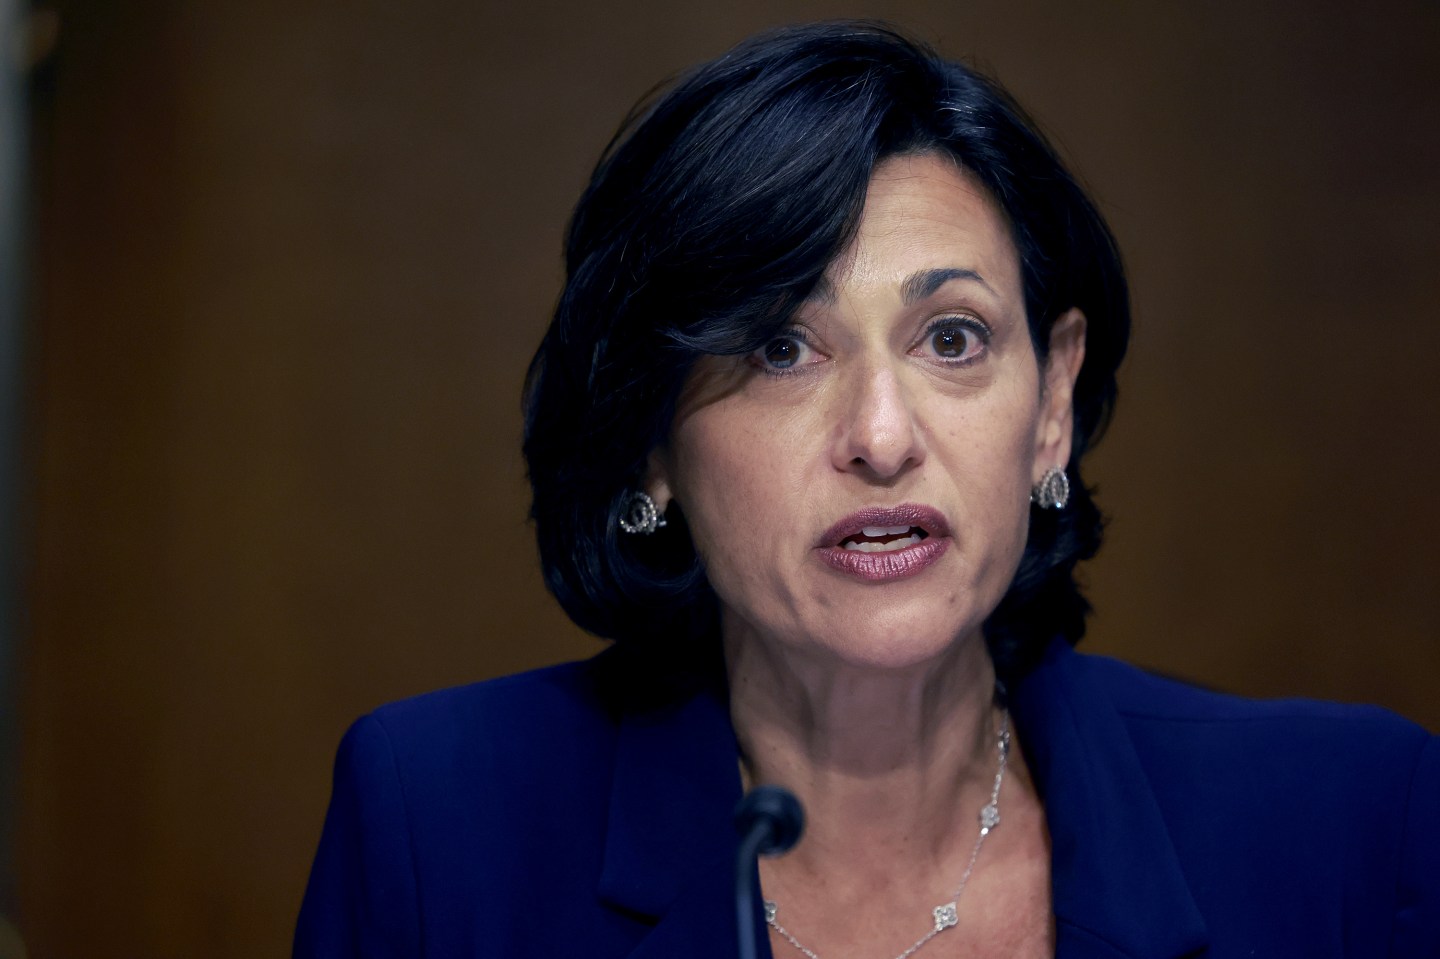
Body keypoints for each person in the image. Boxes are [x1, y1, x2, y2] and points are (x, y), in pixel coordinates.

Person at [294, 22, 1438, 959]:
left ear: (1050, 408)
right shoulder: (436, 828)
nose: (882, 437)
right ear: (649, 440)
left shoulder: (1351, 823)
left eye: (952, 336)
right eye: (782, 350)